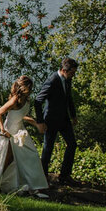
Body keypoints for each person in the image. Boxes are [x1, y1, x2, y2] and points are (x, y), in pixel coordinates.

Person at [0, 75, 50, 197]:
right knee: (8, 159)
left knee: (32, 155)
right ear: (22, 87)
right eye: (28, 87)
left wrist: (35, 123)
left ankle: (34, 185)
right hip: (10, 132)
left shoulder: (27, 99)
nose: (31, 89)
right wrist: (2, 129)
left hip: (20, 131)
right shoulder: (14, 100)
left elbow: (21, 116)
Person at [33, 57, 79, 185]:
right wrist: (40, 121)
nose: (73, 75)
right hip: (51, 120)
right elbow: (37, 101)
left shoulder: (68, 80)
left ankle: (64, 176)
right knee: (48, 148)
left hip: (64, 119)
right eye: (72, 73)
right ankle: (43, 176)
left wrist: (73, 116)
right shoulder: (52, 81)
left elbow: (69, 98)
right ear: (64, 70)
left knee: (72, 144)